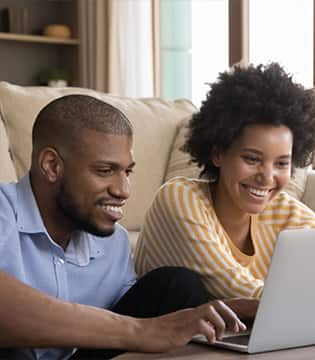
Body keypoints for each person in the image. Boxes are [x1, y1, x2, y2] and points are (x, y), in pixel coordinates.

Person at [0, 95, 251, 360]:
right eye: (105, 170)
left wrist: (221, 311)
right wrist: (142, 330)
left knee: (178, 285)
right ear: (52, 166)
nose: (123, 190)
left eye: (126, 172)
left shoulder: (113, 240)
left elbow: (129, 313)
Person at [134, 62, 315, 300]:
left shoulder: (286, 213)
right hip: (158, 323)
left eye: (281, 164)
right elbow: (231, 286)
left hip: (238, 334)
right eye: (252, 159)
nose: (267, 177)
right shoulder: (179, 198)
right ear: (218, 154)